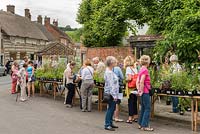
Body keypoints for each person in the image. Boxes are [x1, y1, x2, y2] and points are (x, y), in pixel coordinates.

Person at [137, 55, 154, 131]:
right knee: (148, 108)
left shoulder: (141, 69)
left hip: (142, 91)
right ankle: (145, 126)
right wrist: (141, 90)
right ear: (147, 61)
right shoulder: (145, 70)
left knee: (143, 108)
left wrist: (139, 90)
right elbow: (141, 81)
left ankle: (140, 124)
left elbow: (138, 81)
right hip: (145, 91)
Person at [104, 56, 119, 131]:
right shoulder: (109, 72)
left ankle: (110, 123)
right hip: (111, 93)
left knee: (112, 108)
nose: (116, 62)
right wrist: (114, 95)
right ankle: (107, 124)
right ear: (111, 63)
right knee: (110, 108)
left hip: (112, 93)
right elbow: (111, 84)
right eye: (114, 61)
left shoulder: (110, 71)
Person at [124, 56, 138, 123]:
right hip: (135, 87)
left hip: (130, 87)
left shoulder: (128, 68)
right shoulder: (135, 68)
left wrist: (125, 80)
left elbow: (129, 78)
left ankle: (130, 118)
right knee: (135, 102)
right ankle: (135, 117)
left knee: (130, 103)